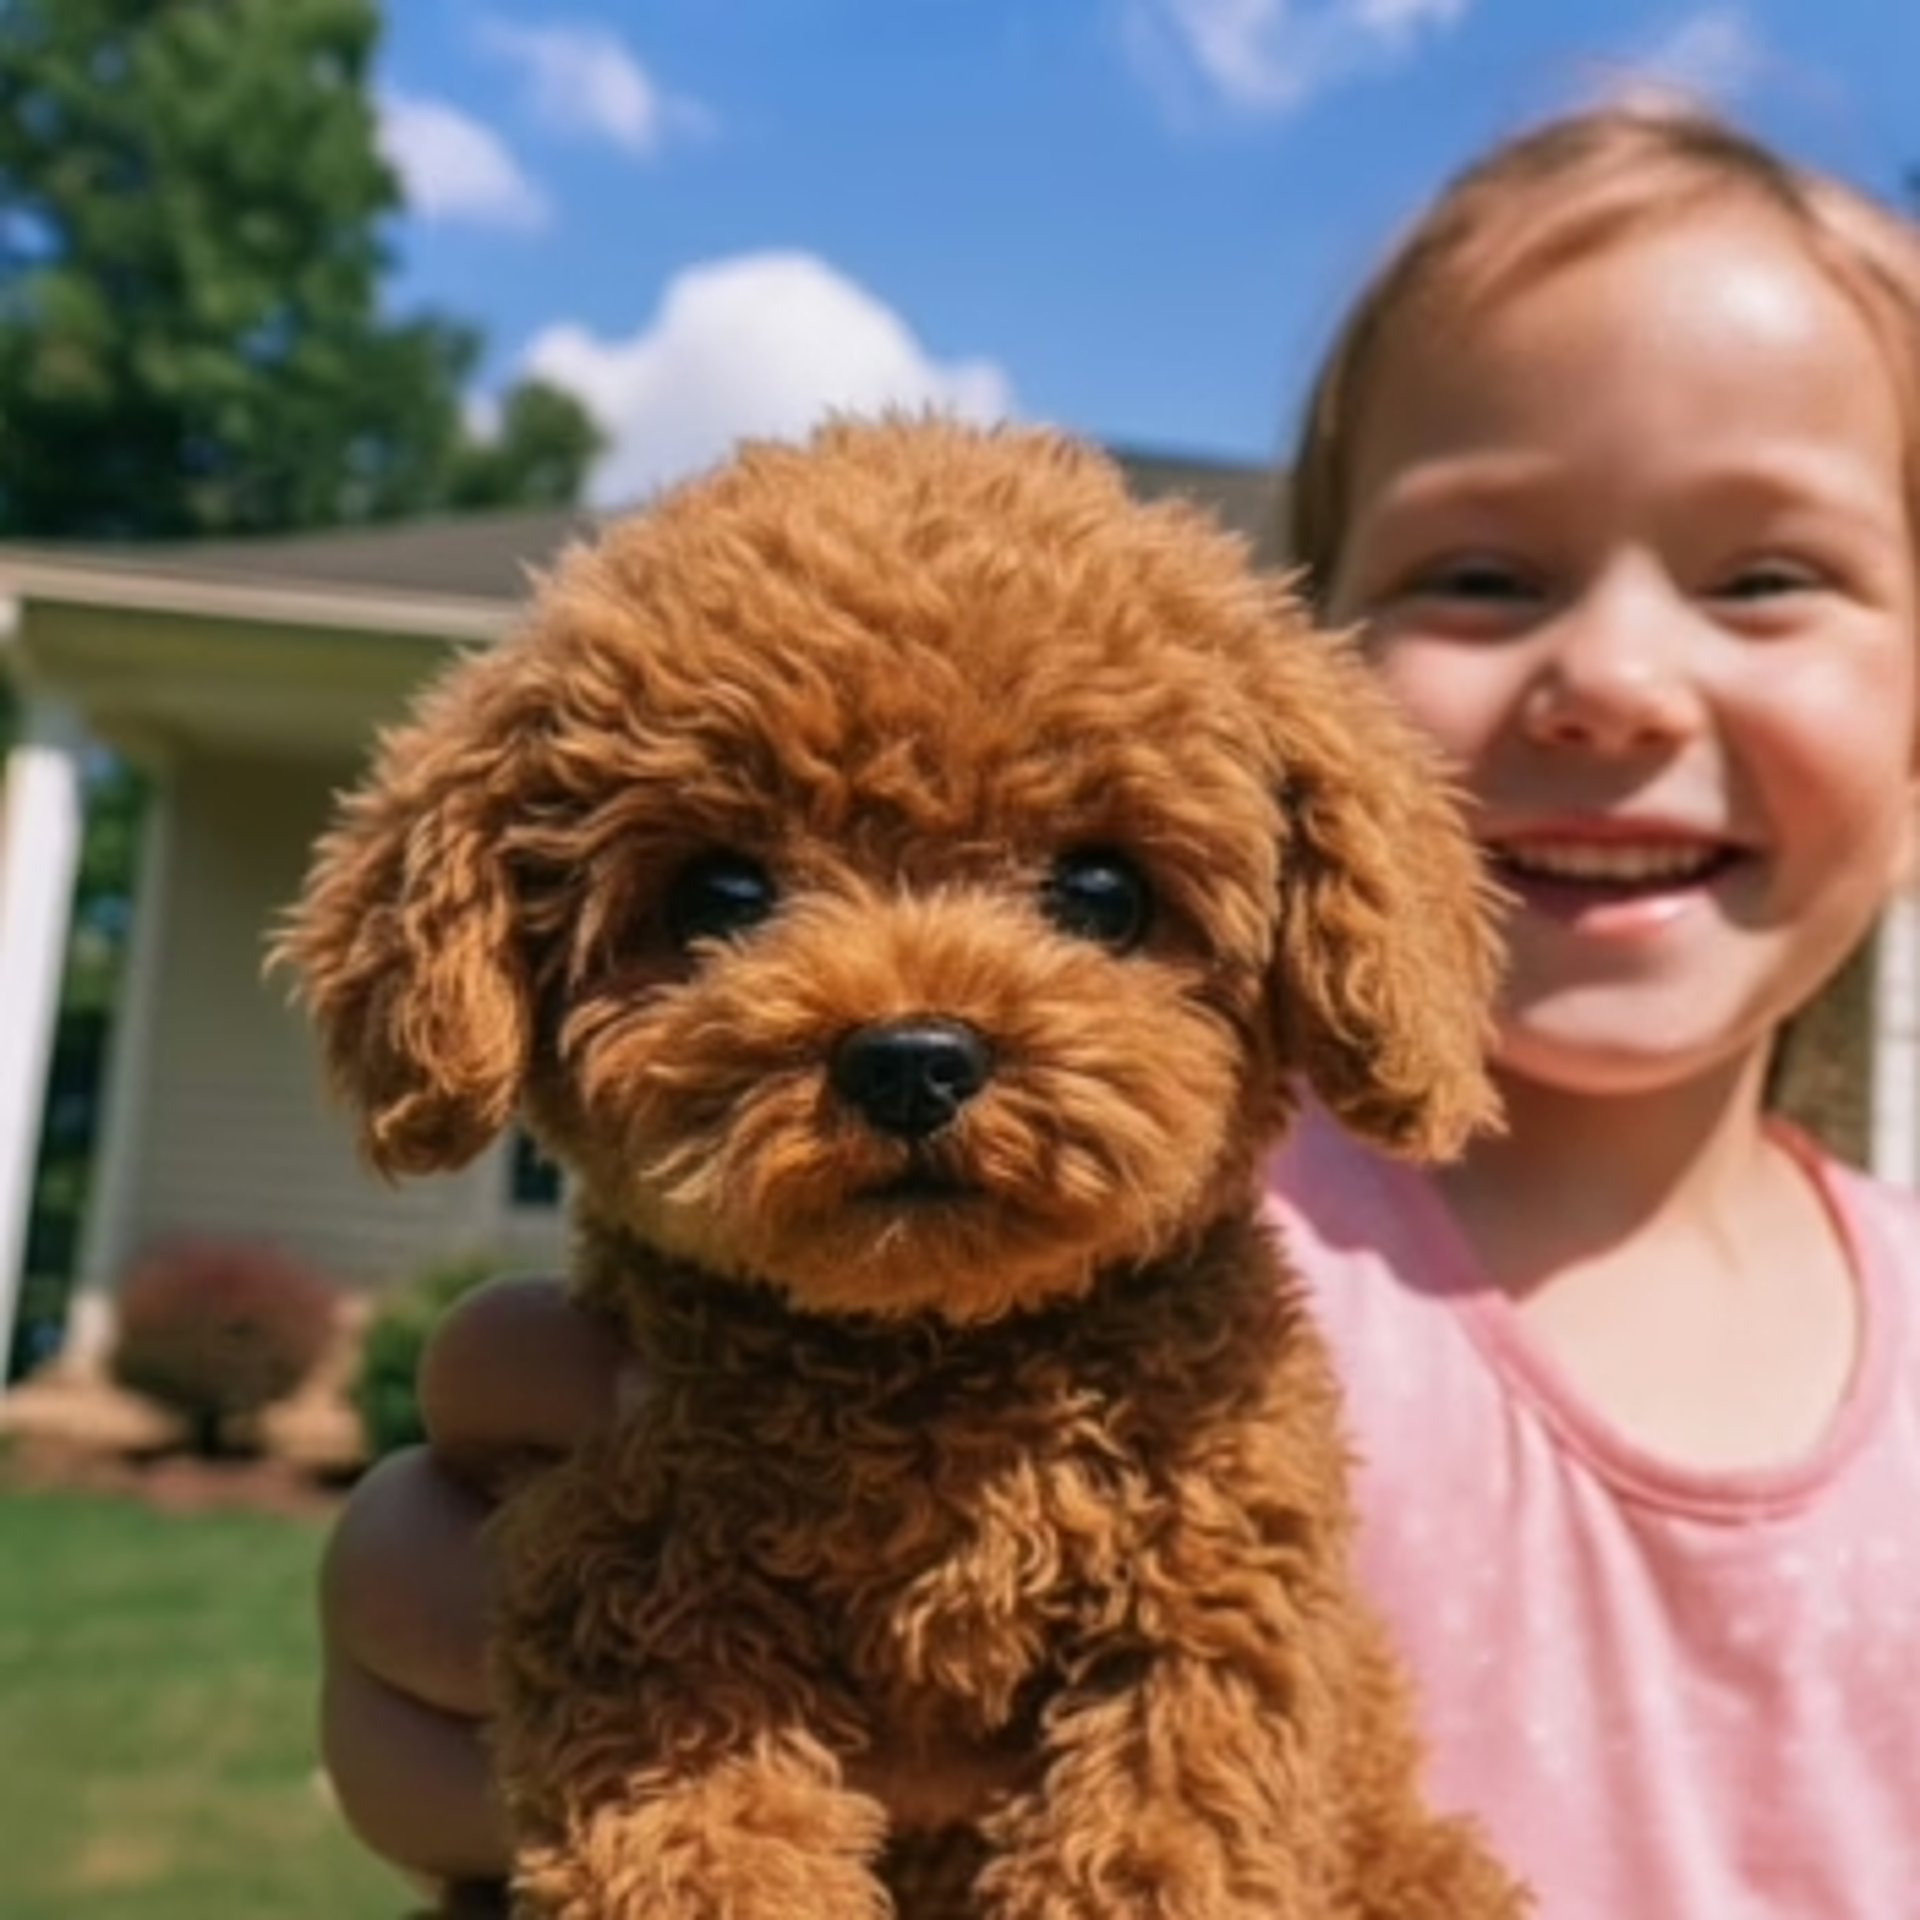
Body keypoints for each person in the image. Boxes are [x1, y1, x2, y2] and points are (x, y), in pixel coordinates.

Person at [316, 104, 1920, 1916]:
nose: (1615, 687)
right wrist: (475, 1679)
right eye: (726, 897)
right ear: (1330, 654)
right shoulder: (1259, 1238)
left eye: (1768, 575)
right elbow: (502, 1660)